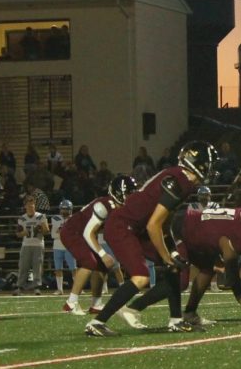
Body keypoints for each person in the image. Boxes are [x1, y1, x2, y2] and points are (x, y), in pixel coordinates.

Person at [85, 142, 218, 336]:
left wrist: (171, 250)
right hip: (123, 226)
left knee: (174, 266)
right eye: (209, 164)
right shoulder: (179, 180)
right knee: (140, 277)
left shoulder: (180, 179)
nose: (211, 170)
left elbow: (163, 223)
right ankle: (96, 323)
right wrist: (165, 255)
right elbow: (153, 225)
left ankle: (176, 320)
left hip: (137, 227)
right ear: (198, 163)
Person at [125, 201, 241, 330]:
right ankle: (133, 308)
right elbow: (233, 279)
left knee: (207, 268)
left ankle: (190, 314)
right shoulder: (239, 237)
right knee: (181, 281)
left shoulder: (240, 215)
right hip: (181, 229)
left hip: (193, 229)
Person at [59, 176, 136, 315]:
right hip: (72, 232)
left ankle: (96, 303)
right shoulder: (105, 205)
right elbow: (88, 233)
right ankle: (71, 303)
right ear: (120, 193)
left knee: (101, 266)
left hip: (81, 233)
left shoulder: (115, 207)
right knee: (89, 262)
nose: (131, 197)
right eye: (130, 193)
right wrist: (102, 253)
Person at [14, 195, 49, 295]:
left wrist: (40, 229)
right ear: (25, 206)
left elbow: (47, 230)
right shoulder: (22, 218)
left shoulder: (41, 216)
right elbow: (18, 234)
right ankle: (20, 286)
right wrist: (24, 233)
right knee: (23, 266)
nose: (31, 206)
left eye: (32, 204)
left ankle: (36, 287)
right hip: (26, 244)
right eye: (29, 205)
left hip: (38, 244)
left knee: (37, 266)